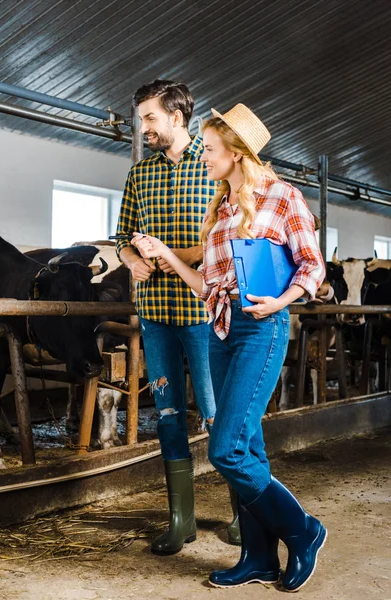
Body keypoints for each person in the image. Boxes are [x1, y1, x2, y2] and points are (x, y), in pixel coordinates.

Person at [132, 103, 327, 592]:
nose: (204, 158)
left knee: (226, 449)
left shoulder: (283, 198)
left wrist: (280, 300)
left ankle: (304, 531)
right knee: (250, 446)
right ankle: (258, 557)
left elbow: (312, 265)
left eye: (212, 151)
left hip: (262, 328)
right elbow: (206, 286)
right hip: (221, 330)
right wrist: (167, 256)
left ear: (237, 154)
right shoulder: (221, 211)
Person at [115, 80, 240, 555]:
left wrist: (172, 255)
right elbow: (123, 234)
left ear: (176, 117)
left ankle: (242, 515)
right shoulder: (139, 175)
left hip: (206, 310)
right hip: (155, 314)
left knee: (217, 414)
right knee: (167, 415)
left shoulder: (212, 165)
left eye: (149, 117)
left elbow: (226, 237)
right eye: (140, 117)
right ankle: (180, 519)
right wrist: (132, 260)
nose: (142, 126)